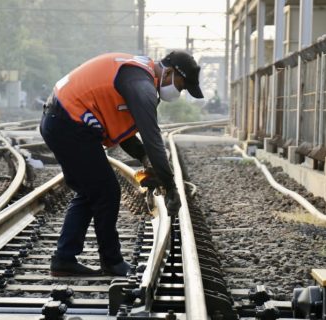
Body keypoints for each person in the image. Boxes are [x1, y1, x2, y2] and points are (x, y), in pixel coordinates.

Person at [40, 50, 204, 277]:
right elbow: (153, 139)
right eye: (182, 86)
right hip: (69, 123)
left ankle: (64, 259)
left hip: (60, 120)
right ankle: (111, 262)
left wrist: (144, 157)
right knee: (107, 192)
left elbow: (124, 133)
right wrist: (170, 186)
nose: (180, 92)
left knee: (90, 192)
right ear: (169, 73)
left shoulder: (138, 75)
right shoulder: (142, 86)